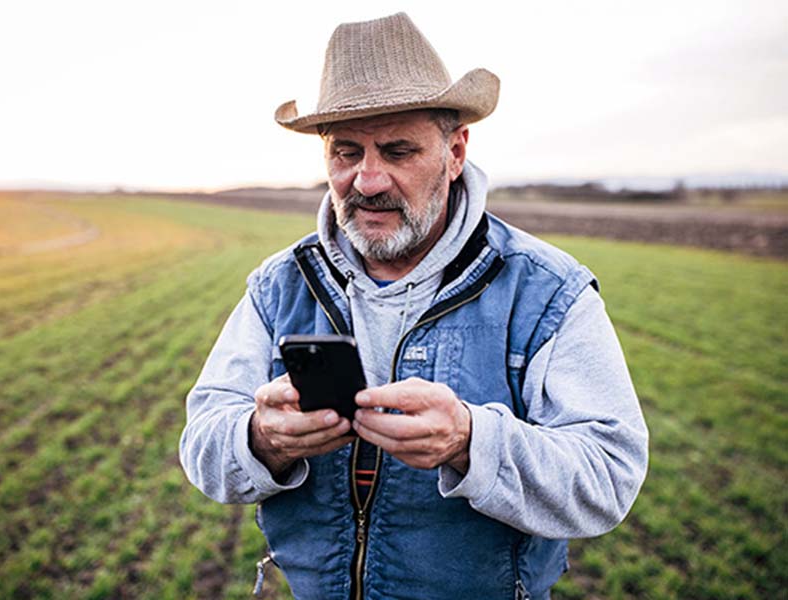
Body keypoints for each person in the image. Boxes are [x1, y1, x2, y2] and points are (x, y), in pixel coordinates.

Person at [180, 12, 648, 600]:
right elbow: (202, 444)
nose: (367, 180)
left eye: (398, 151)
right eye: (346, 152)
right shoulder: (280, 284)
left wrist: (470, 441)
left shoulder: (547, 291)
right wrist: (259, 437)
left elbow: (608, 478)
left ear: (455, 152)